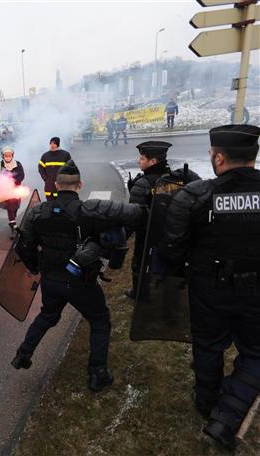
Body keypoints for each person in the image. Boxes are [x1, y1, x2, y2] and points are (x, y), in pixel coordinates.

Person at [160, 124, 260, 450]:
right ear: (254, 155)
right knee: (256, 352)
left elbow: (172, 248)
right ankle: (229, 412)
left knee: (208, 346)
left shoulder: (194, 196)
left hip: (209, 289)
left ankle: (209, 406)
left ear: (218, 157)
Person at [11, 160, 144, 392]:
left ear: (56, 185)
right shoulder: (89, 210)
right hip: (80, 282)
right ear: (79, 185)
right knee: (99, 320)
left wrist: (35, 268)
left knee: (47, 315)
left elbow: (24, 246)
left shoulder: (38, 212)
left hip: (51, 280)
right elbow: (132, 214)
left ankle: (23, 354)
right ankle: (98, 374)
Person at [125, 141, 200, 299]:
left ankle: (140, 294)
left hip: (149, 235)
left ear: (153, 161)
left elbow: (134, 217)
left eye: (142, 158)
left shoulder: (143, 184)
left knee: (140, 262)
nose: (139, 161)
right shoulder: (180, 178)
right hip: (176, 232)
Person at [0, 147, 25, 238]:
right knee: (10, 207)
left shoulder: (18, 164)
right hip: (6, 191)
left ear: (12, 155)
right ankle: (13, 226)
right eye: (6, 155)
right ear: (3, 156)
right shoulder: (0, 165)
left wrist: (14, 181)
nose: (7, 157)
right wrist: (3, 182)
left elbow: (22, 175)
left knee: (16, 206)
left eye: (9, 155)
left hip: (16, 188)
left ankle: (12, 220)